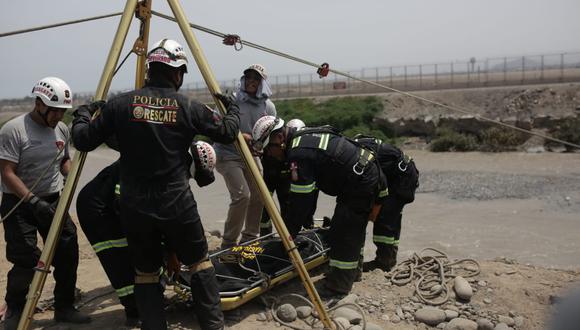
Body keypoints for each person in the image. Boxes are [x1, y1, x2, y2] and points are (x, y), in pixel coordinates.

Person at [71, 38, 240, 330]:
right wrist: (233, 108)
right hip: (177, 203)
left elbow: (83, 140)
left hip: (135, 207)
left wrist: (83, 114)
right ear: (178, 73)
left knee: (146, 274)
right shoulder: (188, 106)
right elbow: (227, 132)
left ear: (150, 69)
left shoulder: (120, 104)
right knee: (200, 264)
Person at [75, 141, 218, 327]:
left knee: (149, 252)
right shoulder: (152, 163)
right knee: (120, 259)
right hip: (99, 209)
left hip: (122, 206)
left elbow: (168, 213)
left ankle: (147, 302)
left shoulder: (169, 167)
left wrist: (171, 251)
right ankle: (135, 311)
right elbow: (125, 200)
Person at [251, 116, 387, 298]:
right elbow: (309, 194)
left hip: (360, 182)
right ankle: (353, 273)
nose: (268, 154)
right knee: (351, 228)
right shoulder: (302, 139)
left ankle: (338, 286)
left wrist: (289, 235)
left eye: (268, 149)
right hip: (361, 175)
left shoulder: (298, 153)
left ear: (279, 139)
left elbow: (300, 203)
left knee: (344, 232)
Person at [0, 77, 91, 329]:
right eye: (55, 111)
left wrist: (70, 174)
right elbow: (7, 173)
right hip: (19, 203)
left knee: (67, 249)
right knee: (26, 258)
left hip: (52, 200)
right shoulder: (14, 130)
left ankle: (64, 307)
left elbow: (63, 159)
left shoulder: (61, 129)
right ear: (40, 103)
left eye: (63, 111)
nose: (59, 116)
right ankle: (15, 309)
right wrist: (32, 201)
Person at [213, 64, 276, 249]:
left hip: (251, 156)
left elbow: (269, 131)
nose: (251, 81)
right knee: (242, 196)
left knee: (259, 195)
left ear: (262, 83)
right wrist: (241, 136)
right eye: (248, 78)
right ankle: (229, 242)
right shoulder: (232, 100)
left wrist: (261, 146)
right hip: (227, 154)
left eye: (256, 79)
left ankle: (250, 238)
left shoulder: (268, 106)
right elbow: (218, 126)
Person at [354, 136, 419, 272]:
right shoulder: (360, 147)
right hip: (403, 175)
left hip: (401, 180)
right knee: (392, 218)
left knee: (384, 220)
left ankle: (384, 262)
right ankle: (390, 259)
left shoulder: (359, 153)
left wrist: (374, 209)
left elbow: (379, 181)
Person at [258, 118, 315, 235]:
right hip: (270, 178)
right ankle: (265, 236)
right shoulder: (273, 149)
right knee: (265, 208)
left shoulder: (294, 151)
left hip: (284, 180)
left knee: (287, 206)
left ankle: (287, 234)